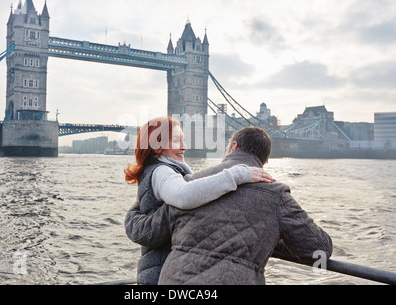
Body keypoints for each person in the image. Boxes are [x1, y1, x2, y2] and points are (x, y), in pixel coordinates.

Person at [125, 127, 333, 285]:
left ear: (233, 147)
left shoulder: (192, 182)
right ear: (264, 160)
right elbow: (319, 249)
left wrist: (134, 210)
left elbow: (149, 232)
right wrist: (273, 233)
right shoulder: (276, 194)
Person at [124, 117, 274, 285]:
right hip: (162, 275)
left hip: (157, 272)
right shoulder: (162, 171)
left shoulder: (158, 170)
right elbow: (184, 196)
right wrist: (239, 174)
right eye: (176, 141)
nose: (184, 146)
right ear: (157, 146)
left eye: (183, 140)